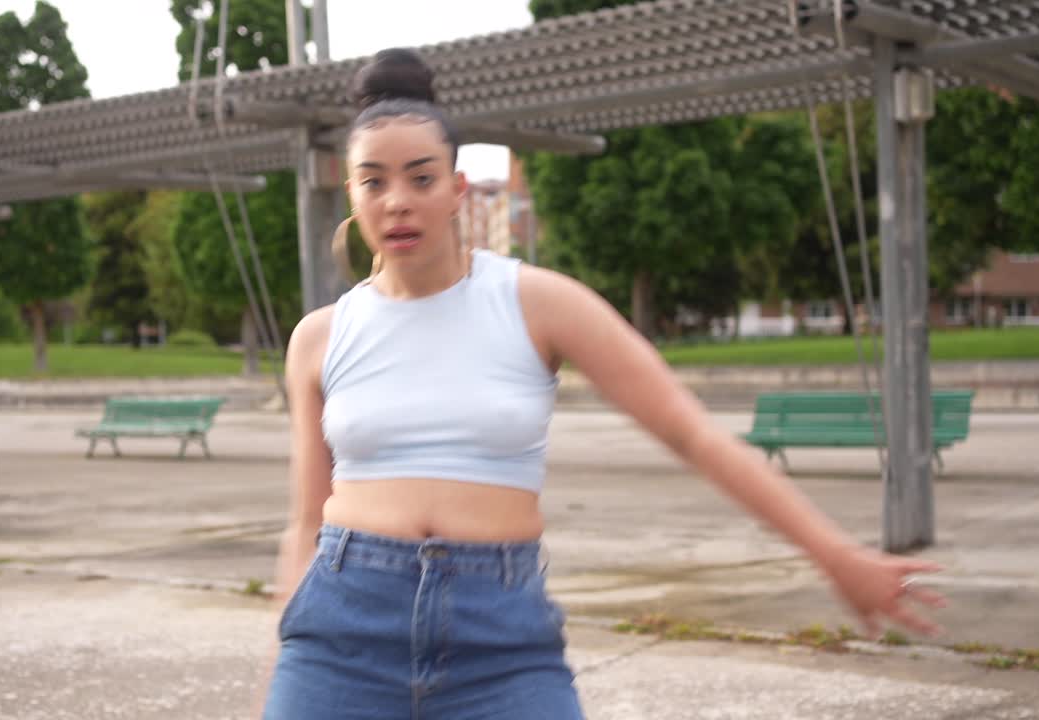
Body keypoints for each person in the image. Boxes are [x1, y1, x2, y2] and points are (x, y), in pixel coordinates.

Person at [257, 48, 946, 720]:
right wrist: (283, 657)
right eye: (374, 182)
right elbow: (306, 521)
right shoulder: (319, 337)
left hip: (499, 642)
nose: (397, 202)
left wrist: (835, 555)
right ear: (351, 195)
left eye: (421, 178)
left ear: (458, 189)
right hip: (341, 635)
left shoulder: (538, 303)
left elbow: (692, 433)